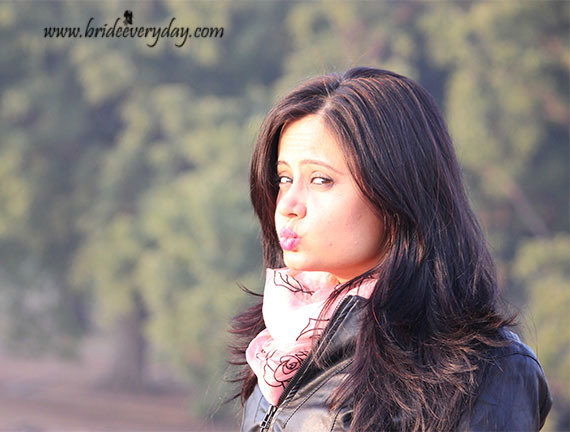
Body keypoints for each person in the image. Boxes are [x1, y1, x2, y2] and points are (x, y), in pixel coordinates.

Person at [230, 67, 552, 432]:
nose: (288, 203)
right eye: (285, 178)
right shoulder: (277, 347)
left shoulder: (484, 369)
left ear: (395, 193)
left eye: (321, 180)